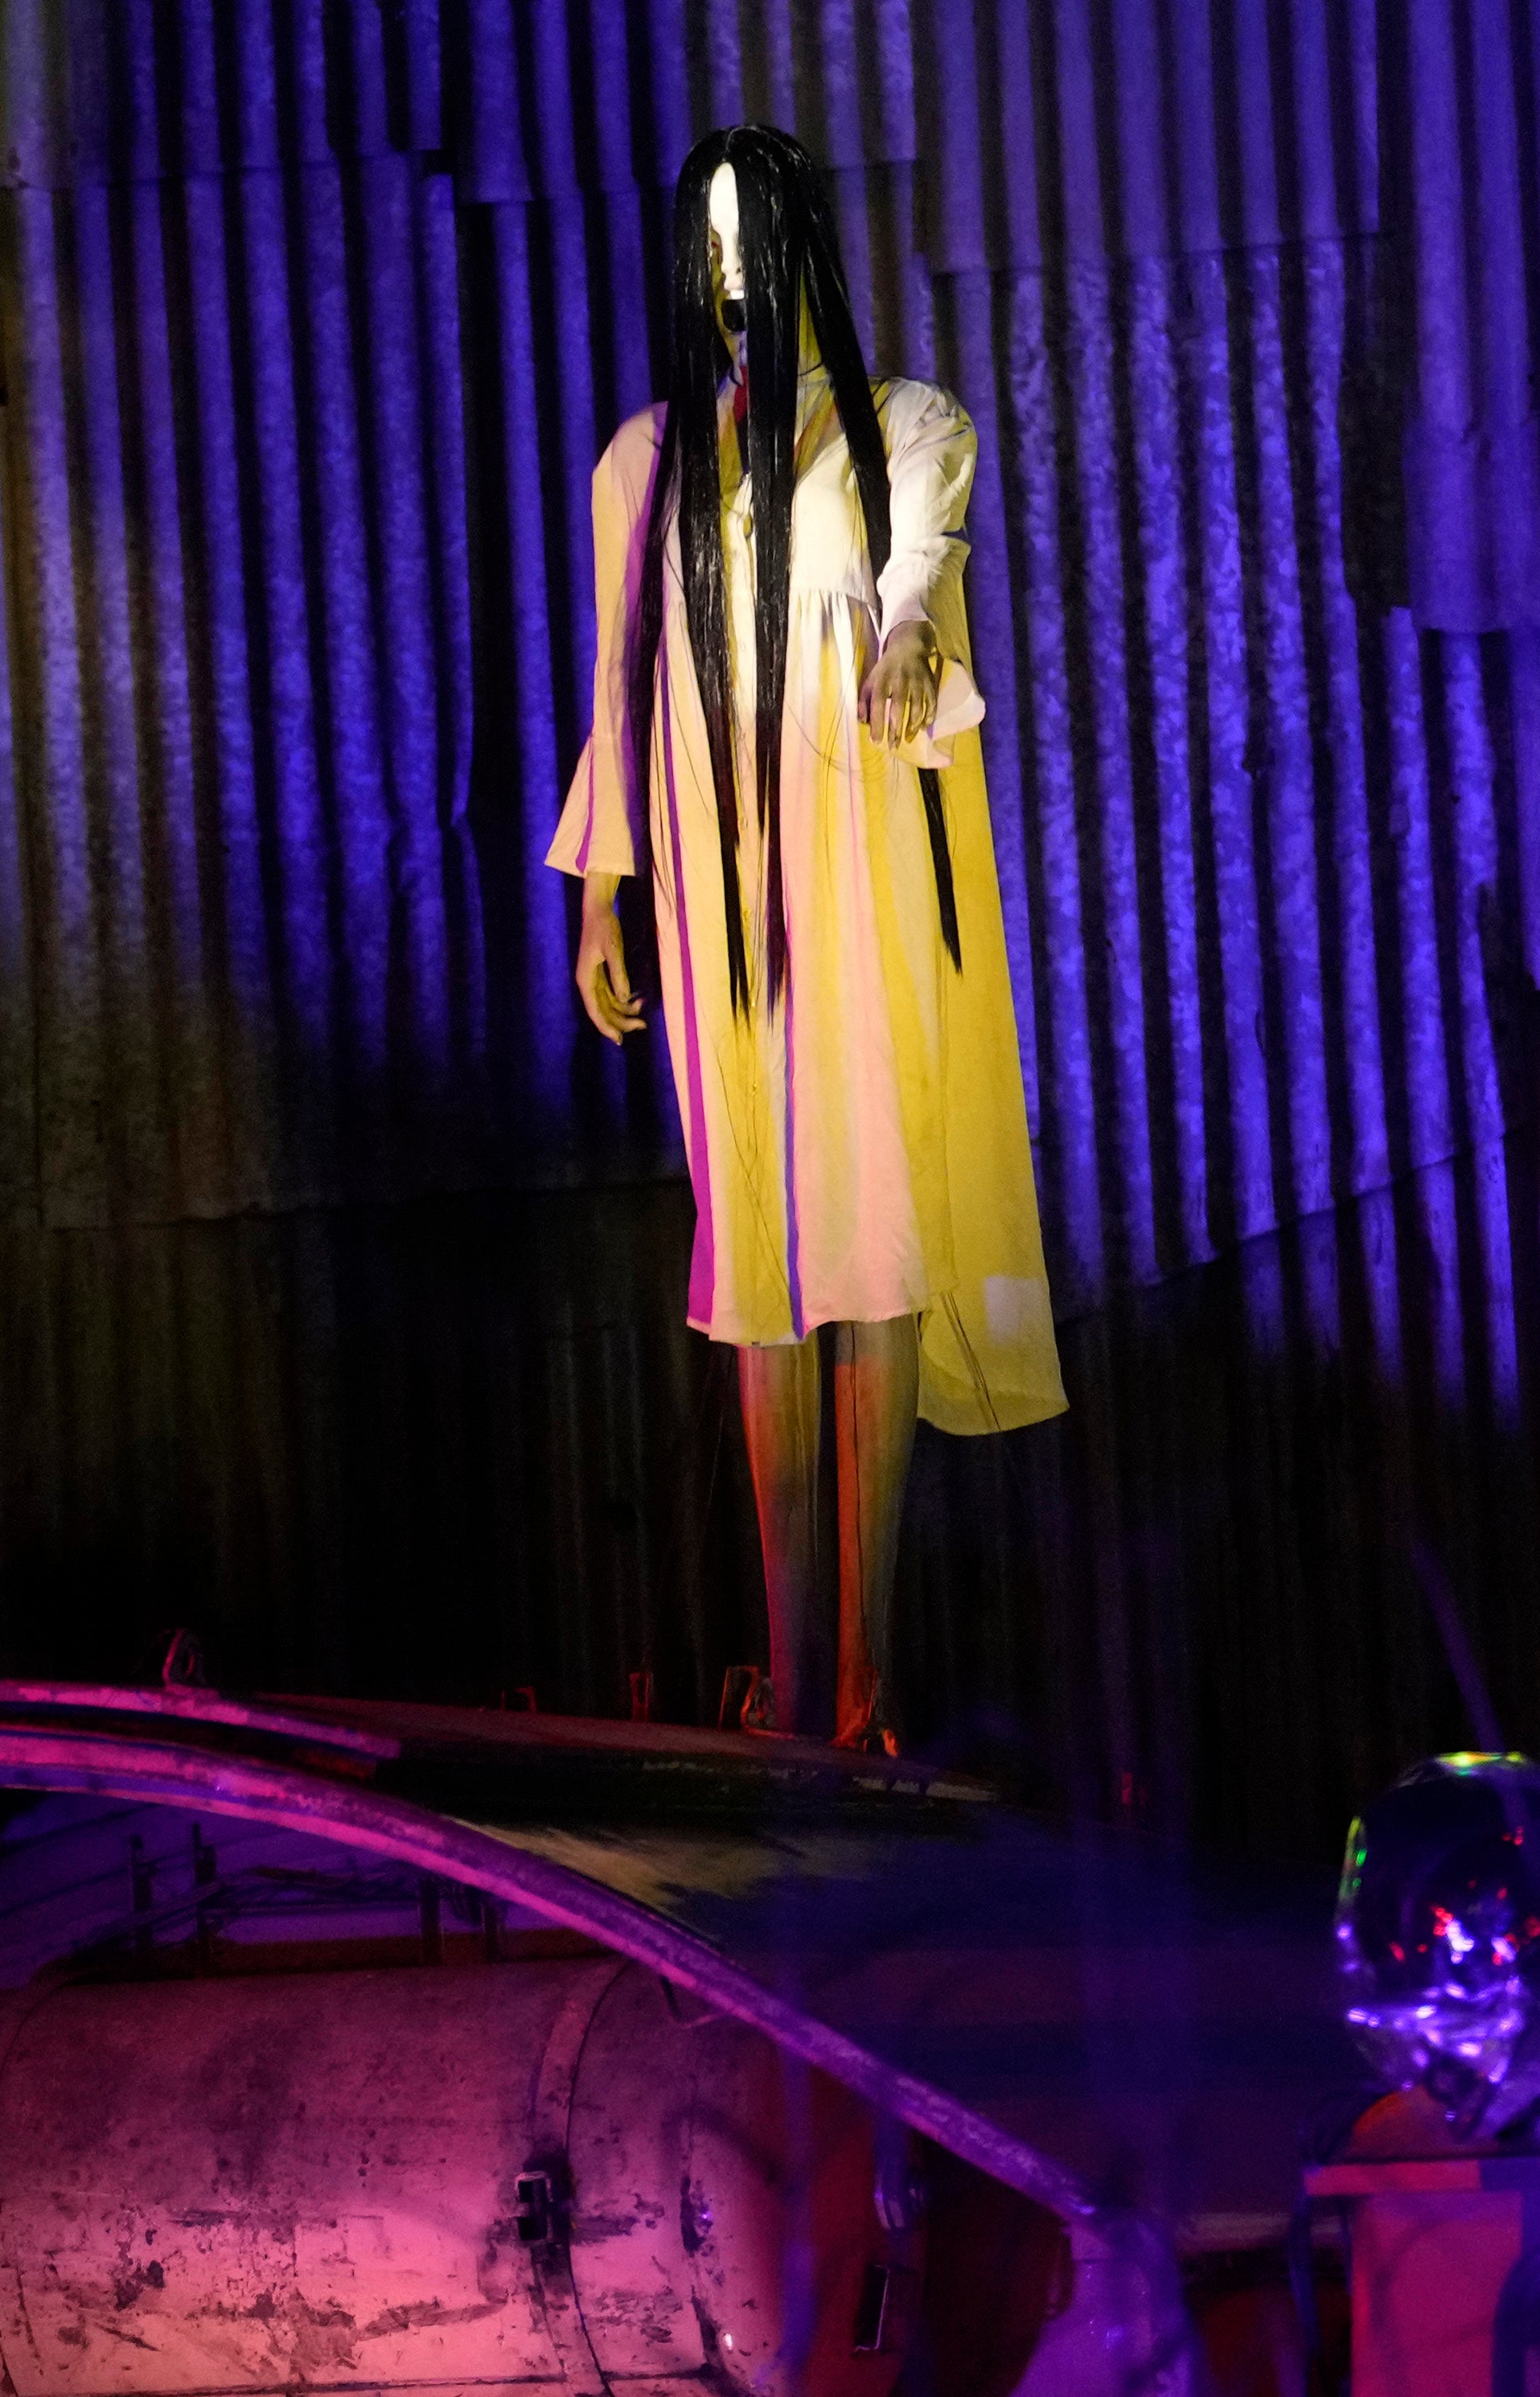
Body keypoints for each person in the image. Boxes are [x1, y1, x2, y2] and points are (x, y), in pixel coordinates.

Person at [549, 125, 1063, 1754]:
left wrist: (911, 635)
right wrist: (602, 891)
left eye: (744, 231)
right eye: (699, 238)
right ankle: (791, 1678)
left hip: (857, 873)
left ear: (798, 245)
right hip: (723, 890)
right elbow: (622, 689)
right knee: (764, 1246)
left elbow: (926, 551)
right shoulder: (645, 466)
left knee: (880, 1225)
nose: (724, 269)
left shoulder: (905, 426)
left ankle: (868, 1682)